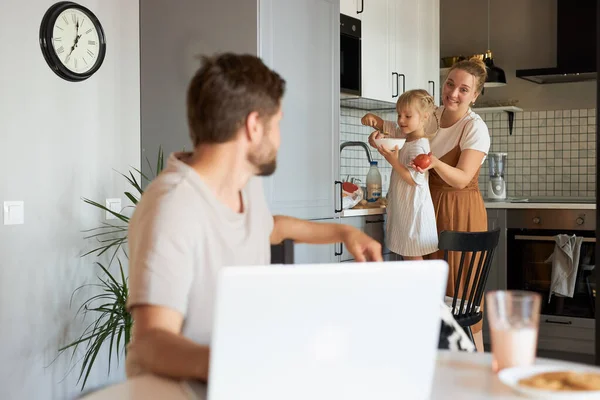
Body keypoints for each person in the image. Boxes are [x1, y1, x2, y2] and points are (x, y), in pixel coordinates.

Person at [124, 53, 383, 394]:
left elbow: (267, 227)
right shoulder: (173, 206)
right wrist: (236, 362)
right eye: (277, 125)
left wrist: (343, 231)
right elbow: (150, 342)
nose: (279, 139)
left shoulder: (244, 183)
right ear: (254, 126)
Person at [362, 57, 490, 352]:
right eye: (449, 84)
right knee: (428, 297)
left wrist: (433, 163)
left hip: (459, 212)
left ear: (475, 95)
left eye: (463, 89)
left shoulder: (474, 128)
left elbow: (461, 178)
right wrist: (380, 125)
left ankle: (478, 365)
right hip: (427, 209)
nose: (453, 93)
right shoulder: (432, 114)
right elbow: (407, 126)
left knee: (460, 297)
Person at [362, 89, 438, 261]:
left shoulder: (420, 146)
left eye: (408, 116)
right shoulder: (405, 136)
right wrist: (373, 121)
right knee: (408, 256)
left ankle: (423, 289)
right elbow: (386, 128)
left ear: (425, 117)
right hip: (405, 209)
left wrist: (393, 160)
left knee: (413, 258)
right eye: (399, 115)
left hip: (414, 212)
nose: (401, 120)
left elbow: (413, 179)